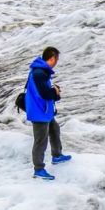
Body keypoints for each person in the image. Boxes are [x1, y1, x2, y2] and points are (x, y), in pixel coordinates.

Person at [25, 46, 71, 180]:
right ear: (52, 58)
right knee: (41, 141)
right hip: (39, 112)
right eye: (56, 59)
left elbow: (43, 90)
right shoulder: (39, 73)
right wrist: (55, 92)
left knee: (54, 129)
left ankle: (57, 155)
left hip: (44, 111)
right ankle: (38, 169)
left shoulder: (41, 71)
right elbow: (45, 94)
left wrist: (53, 89)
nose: (57, 61)